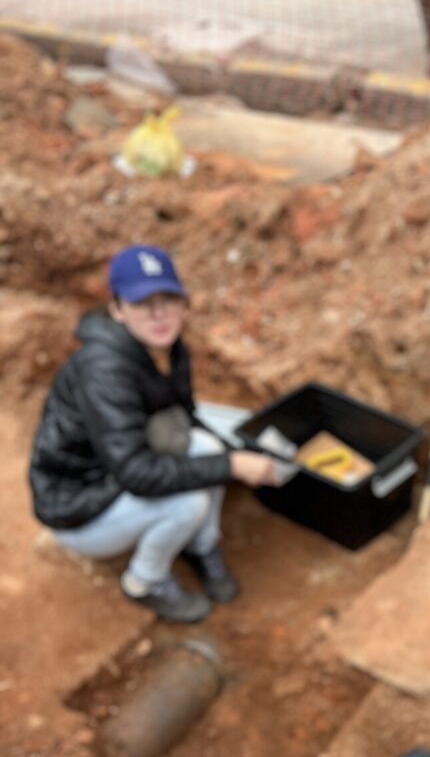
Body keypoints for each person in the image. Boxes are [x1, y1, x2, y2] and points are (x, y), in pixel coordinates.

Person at [29, 245, 282, 623]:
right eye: (143, 302)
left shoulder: (168, 348)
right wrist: (232, 465)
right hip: (78, 503)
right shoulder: (104, 371)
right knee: (189, 502)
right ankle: (144, 581)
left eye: (168, 298)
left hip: (116, 468)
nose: (159, 313)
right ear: (117, 309)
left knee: (208, 449)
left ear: (183, 304)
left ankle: (201, 546)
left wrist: (234, 454)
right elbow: (136, 473)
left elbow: (187, 419)